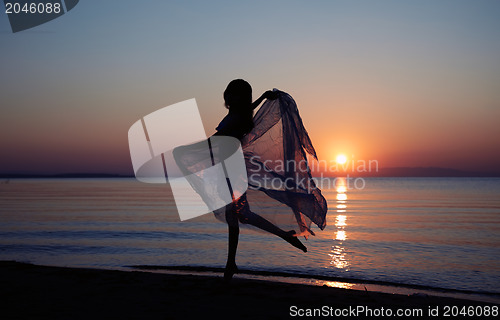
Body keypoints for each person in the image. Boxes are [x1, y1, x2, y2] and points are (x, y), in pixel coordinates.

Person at [214, 79, 308, 282]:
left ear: (240, 97)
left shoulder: (238, 118)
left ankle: (231, 264)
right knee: (242, 215)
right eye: (229, 92)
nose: (229, 96)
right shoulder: (238, 115)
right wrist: (264, 97)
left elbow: (219, 137)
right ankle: (284, 236)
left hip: (231, 168)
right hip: (228, 168)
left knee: (236, 215)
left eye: (234, 94)